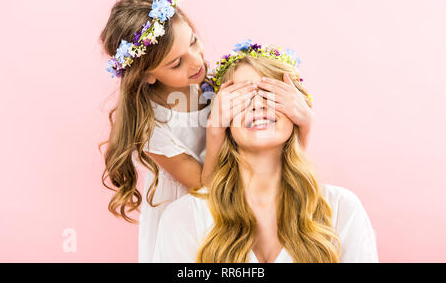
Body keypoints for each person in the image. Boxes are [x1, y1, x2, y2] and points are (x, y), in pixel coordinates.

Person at [98, 0, 314, 262]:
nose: (196, 61)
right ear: (147, 77)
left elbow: (279, 154)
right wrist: (214, 130)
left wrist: (304, 123)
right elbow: (204, 188)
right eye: (177, 63)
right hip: (194, 202)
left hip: (237, 195)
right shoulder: (152, 127)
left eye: (193, 42)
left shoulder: (213, 82)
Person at [153, 42, 378, 263]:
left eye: (271, 94)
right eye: (243, 97)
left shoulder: (342, 209)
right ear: (223, 121)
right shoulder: (183, 218)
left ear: (297, 110)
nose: (257, 105)